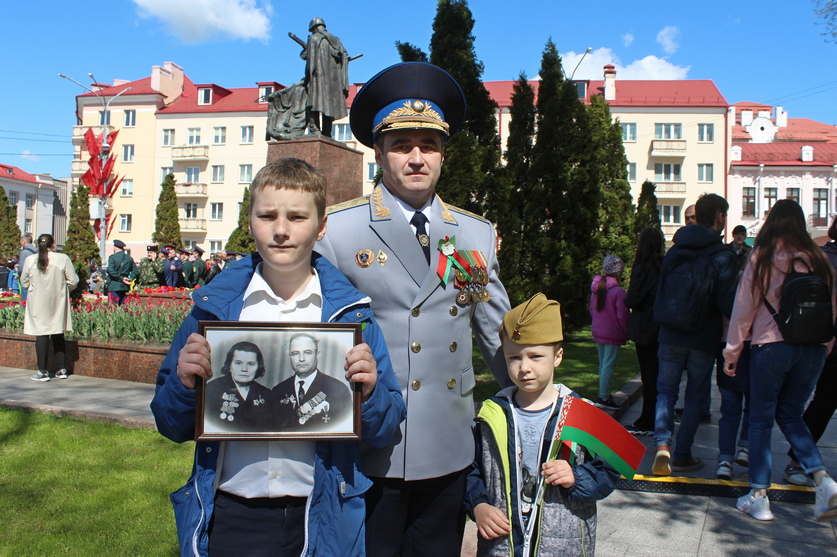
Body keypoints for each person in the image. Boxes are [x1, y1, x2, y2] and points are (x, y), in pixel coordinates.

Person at [150, 158, 406, 556]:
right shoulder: (212, 312)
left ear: (321, 226)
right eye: (267, 216)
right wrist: (185, 386)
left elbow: (387, 428)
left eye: (297, 217)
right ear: (250, 221)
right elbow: (169, 423)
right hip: (233, 512)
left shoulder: (352, 316)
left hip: (322, 514)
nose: (281, 230)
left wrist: (369, 394)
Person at [316, 62, 511, 556]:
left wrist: (536, 400)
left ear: (443, 153)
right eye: (402, 145)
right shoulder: (338, 231)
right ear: (378, 152)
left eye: (429, 145)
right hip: (370, 442)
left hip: (447, 443)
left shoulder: (473, 234)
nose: (417, 158)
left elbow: (493, 332)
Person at [464, 293, 619, 556]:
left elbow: (611, 468)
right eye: (514, 357)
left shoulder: (583, 412)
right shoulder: (490, 414)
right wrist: (478, 505)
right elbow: (470, 468)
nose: (524, 367)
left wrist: (577, 477)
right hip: (501, 545)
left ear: (558, 356)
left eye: (536, 356)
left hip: (562, 545)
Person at [724, 199, 837, 522]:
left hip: (771, 345)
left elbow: (744, 307)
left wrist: (732, 352)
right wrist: (826, 346)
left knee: (761, 419)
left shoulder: (763, 256)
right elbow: (832, 307)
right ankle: (822, 479)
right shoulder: (819, 258)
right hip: (813, 348)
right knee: (791, 414)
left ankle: (759, 496)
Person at [652, 194, 739, 476]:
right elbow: (727, 303)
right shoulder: (723, 255)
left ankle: (662, 445)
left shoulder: (675, 250)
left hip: (669, 332)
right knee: (694, 396)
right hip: (703, 336)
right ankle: (682, 455)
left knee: (665, 391)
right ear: (719, 217)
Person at [783, 215, 837, 487]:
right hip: (827, 342)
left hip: (819, 341)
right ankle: (801, 462)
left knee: (820, 404)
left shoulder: (820, 258)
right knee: (817, 404)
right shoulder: (823, 259)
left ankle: (798, 462)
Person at [624, 227, 665, 436]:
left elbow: (632, 299)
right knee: (658, 376)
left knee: (648, 376)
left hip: (645, 328)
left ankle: (647, 421)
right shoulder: (665, 266)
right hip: (662, 326)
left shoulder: (642, 269)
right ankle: (657, 418)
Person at [21, 234, 79, 381]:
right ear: (53, 244)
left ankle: (42, 371)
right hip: (57, 300)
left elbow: (24, 282)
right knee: (58, 333)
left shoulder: (30, 260)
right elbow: (73, 280)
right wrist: (62, 289)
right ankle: (62, 369)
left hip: (37, 300)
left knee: (41, 334)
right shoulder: (63, 258)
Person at [272, 333, 353, 431]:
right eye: (295, 353)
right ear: (290, 356)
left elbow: (345, 430)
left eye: (307, 352)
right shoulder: (278, 391)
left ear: (317, 355)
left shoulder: (338, 390)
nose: (301, 359)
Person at [204, 341, 272, 432]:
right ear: (230, 365)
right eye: (238, 363)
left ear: (258, 367)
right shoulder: (212, 389)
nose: (244, 369)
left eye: (250, 364)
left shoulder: (266, 394)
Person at [590, 254, 629, 410]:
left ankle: (604, 393)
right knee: (608, 366)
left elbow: (592, 310)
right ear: (618, 272)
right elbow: (623, 316)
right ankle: (604, 397)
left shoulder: (597, 289)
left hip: (599, 331)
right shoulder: (619, 292)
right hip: (613, 333)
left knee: (603, 365)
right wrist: (626, 332)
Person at [301, 18, 349, 137]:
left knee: (311, 102)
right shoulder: (336, 40)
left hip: (317, 78)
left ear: (314, 28)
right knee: (329, 105)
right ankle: (327, 132)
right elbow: (344, 56)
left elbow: (309, 60)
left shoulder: (314, 38)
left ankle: (314, 129)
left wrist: (307, 78)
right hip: (333, 81)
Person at [107, 239, 136, 305]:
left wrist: (121, 278)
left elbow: (111, 271)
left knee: (113, 308)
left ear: (115, 247)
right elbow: (135, 271)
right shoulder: (129, 258)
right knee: (124, 308)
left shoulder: (112, 258)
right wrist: (130, 278)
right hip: (125, 286)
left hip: (114, 286)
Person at [18, 233, 36, 301]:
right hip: (36, 277)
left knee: (25, 300)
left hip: (27, 277)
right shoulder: (37, 251)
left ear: (23, 241)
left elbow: (21, 267)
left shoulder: (24, 252)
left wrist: (18, 274)